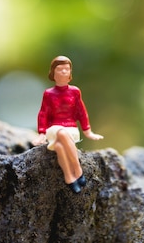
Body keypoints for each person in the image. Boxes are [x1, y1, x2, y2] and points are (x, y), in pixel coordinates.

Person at [33, 56, 104, 193]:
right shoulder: (48, 94)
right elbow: (43, 113)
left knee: (60, 146)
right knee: (61, 133)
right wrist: (41, 133)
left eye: (66, 69)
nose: (64, 72)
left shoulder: (75, 91)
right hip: (54, 129)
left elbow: (81, 111)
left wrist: (87, 131)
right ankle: (78, 170)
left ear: (70, 73)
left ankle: (69, 177)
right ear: (53, 73)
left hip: (71, 128)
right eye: (60, 69)